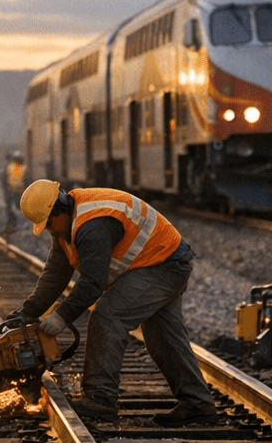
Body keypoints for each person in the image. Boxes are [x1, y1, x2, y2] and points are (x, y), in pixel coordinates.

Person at [14, 179, 220, 427]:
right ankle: (198, 405)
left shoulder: (92, 225)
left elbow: (92, 283)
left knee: (108, 317)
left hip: (164, 265)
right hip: (163, 260)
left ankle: (99, 399)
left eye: (48, 225)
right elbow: (57, 273)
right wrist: (27, 313)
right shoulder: (67, 225)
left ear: (59, 210)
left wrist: (61, 316)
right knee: (163, 337)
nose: (49, 231)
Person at [0, 150, 27, 234]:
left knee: (14, 208)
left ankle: (15, 224)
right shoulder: (21, 167)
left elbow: (4, 178)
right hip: (16, 191)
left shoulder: (10, 167)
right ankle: (13, 224)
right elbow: (4, 177)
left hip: (14, 191)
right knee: (14, 208)